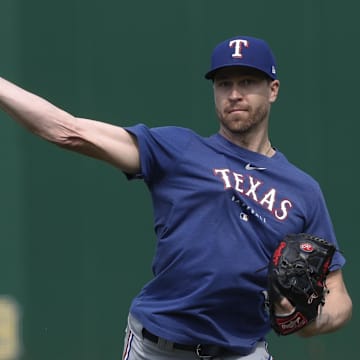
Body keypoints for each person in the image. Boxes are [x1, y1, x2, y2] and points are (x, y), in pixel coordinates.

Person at [0, 35, 352, 360]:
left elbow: (337, 293)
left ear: (273, 89)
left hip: (242, 351)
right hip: (156, 347)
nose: (234, 93)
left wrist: (311, 320)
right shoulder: (178, 150)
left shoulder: (303, 190)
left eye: (248, 82)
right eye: (224, 83)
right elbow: (70, 132)